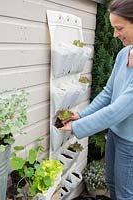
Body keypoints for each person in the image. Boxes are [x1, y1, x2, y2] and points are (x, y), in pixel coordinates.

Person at [59, 0, 133, 199]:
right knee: (111, 184)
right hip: (115, 135)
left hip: (131, 143)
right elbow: (108, 93)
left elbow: (118, 110)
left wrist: (77, 127)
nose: (115, 34)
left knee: (125, 194)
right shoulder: (123, 54)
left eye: (119, 28)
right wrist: (80, 115)